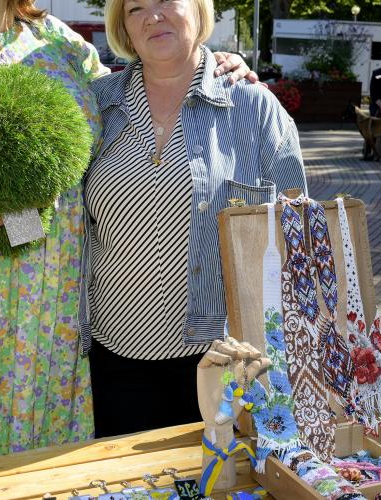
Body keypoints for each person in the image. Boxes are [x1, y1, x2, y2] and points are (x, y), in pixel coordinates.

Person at [0, 0, 254, 478]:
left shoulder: (61, 46)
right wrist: (15, 209)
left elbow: (142, 92)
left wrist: (214, 66)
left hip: (47, 335)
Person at [82, 0, 307, 438]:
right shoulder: (96, 106)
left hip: (222, 361)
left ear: (199, 10)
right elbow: (57, 215)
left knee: (216, 483)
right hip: (114, 355)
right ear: (123, 28)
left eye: (166, 0)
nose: (153, 15)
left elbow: (297, 234)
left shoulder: (254, 107)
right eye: (135, 8)